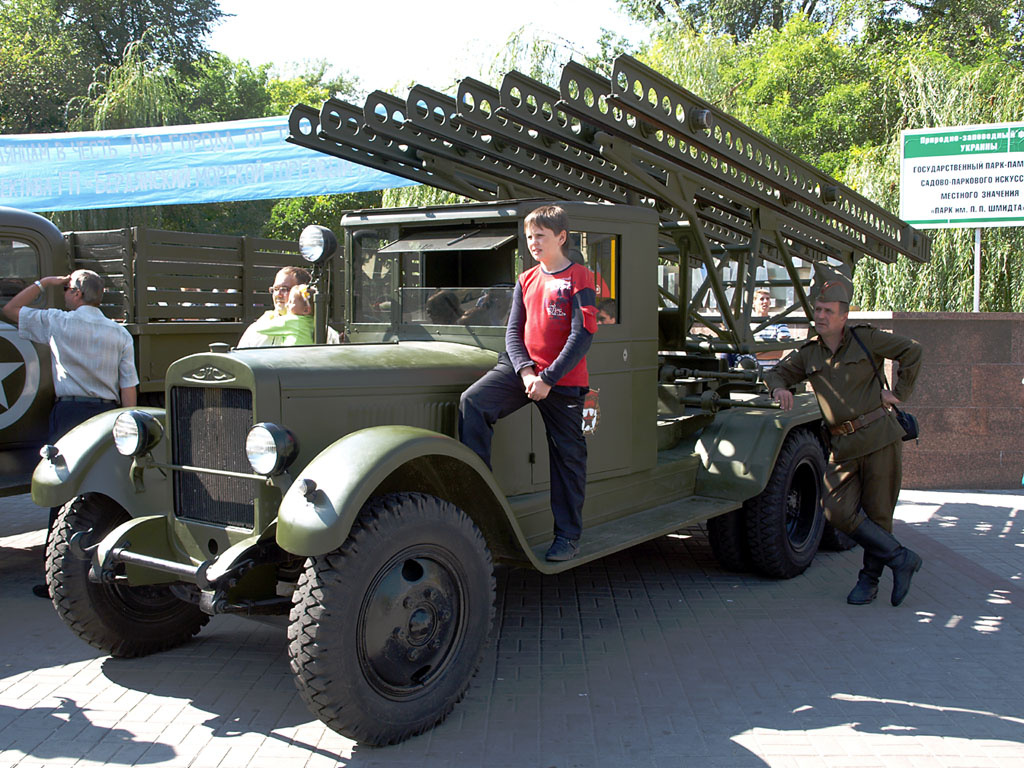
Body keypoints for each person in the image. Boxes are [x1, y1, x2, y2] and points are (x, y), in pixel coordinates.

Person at [763, 279, 924, 606]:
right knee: (835, 510)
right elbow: (778, 372)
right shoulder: (809, 352)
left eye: (827, 311)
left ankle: (869, 581)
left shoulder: (866, 339)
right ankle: (901, 557)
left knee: (879, 514)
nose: (820, 316)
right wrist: (779, 388)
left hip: (879, 436)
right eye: (818, 309)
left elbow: (913, 351)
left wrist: (899, 393)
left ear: (843, 316)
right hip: (843, 445)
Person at [459, 205, 597, 562]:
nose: (533, 243)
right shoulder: (526, 279)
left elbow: (582, 335)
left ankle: (567, 537)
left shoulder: (581, 278)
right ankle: (477, 504)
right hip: (523, 371)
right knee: (473, 403)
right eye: (530, 236)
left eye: (541, 236)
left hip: (562, 381)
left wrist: (548, 379)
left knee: (568, 457)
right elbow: (512, 334)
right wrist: (526, 373)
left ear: (561, 238)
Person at [2, 269, 138, 598]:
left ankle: (59, 577)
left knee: (62, 492)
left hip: (70, 413)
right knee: (104, 489)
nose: (63, 293)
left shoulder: (58, 322)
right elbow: (128, 386)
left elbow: (9, 310)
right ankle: (106, 565)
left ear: (77, 293)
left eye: (66, 288)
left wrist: (42, 283)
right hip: (106, 412)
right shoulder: (119, 334)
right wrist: (126, 424)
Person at [238, 266, 340, 346]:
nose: (278, 294)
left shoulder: (325, 333)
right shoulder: (257, 327)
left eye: (284, 289)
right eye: (275, 289)